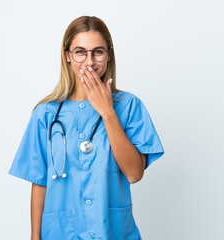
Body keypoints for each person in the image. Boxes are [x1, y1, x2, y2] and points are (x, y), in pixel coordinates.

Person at [8, 15, 165, 240]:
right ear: (67, 56)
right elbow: (40, 183)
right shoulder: (46, 114)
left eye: (98, 52)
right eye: (80, 52)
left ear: (109, 55)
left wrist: (108, 112)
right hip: (60, 233)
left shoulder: (129, 107)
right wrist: (35, 237)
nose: (89, 61)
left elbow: (134, 173)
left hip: (113, 232)